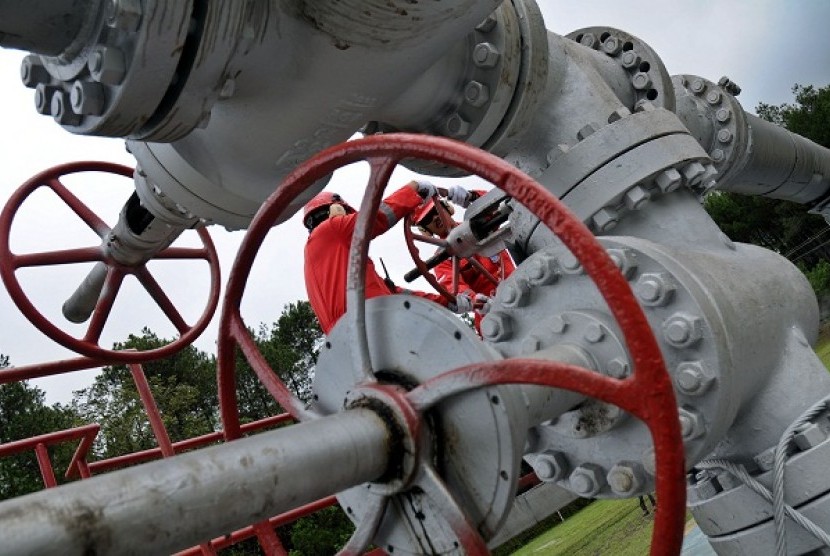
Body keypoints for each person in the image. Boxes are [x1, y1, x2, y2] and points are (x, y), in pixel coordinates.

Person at [303, 181, 479, 334]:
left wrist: (446, 302)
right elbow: (377, 217)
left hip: (349, 344)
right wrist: (414, 190)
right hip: (374, 325)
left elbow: (396, 295)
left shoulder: (328, 261)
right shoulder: (332, 229)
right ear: (336, 208)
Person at [412, 185, 516, 333]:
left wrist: (470, 197)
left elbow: (497, 203)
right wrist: (477, 301)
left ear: (447, 207)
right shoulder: (441, 261)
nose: (435, 218)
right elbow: (453, 288)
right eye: (427, 219)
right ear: (425, 231)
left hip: (521, 285)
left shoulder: (478, 223)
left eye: (435, 211)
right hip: (493, 315)